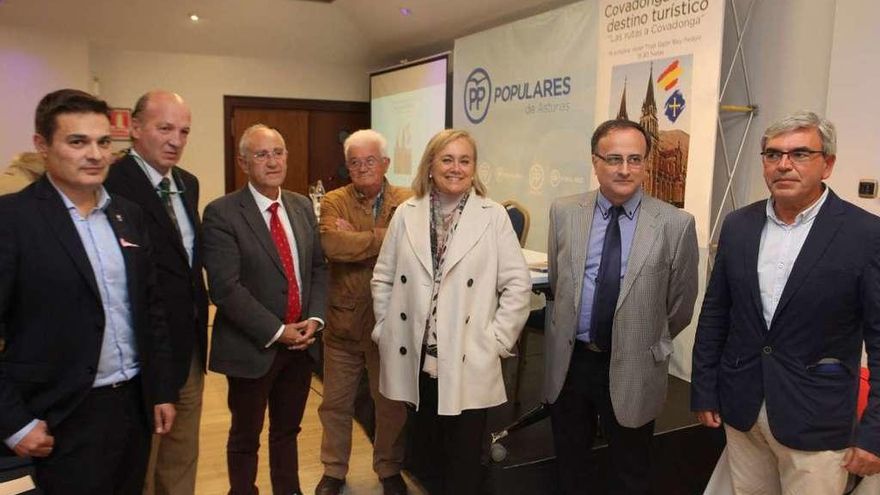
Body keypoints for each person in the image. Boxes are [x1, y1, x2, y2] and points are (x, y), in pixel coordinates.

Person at [691, 110, 880, 493]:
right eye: (773, 154)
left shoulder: (865, 234)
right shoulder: (739, 225)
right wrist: (705, 388)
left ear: (827, 164)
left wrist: (875, 431)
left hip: (817, 420)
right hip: (743, 408)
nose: (784, 165)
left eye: (799, 154)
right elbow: (716, 314)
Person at [0, 88, 176, 494]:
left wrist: (161, 389)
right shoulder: (13, 221)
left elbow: (151, 309)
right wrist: (13, 423)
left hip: (132, 404)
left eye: (103, 142)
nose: (95, 155)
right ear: (42, 146)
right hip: (60, 413)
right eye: (77, 142)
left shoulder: (127, 215)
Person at [371, 129, 531, 495]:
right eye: (447, 159)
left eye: (465, 160)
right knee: (425, 456)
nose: (456, 168)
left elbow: (517, 286)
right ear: (430, 165)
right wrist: (384, 327)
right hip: (415, 358)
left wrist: (496, 341)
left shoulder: (493, 217)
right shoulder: (406, 214)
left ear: (474, 169)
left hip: (468, 357)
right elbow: (383, 277)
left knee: (463, 464)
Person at [544, 119, 699, 494]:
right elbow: (558, 283)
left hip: (634, 365)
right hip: (572, 364)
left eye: (635, 159)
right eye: (614, 159)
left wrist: (644, 341)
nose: (624, 169)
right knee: (570, 465)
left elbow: (680, 304)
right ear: (595, 162)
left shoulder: (675, 224)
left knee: (631, 470)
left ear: (647, 163)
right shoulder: (564, 212)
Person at [202, 123, 328, 495]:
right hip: (252, 347)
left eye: (278, 152)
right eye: (261, 154)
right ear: (243, 162)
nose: (272, 161)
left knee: (287, 431)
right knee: (245, 435)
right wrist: (277, 330)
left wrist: (315, 320)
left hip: (301, 346)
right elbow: (225, 288)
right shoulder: (222, 213)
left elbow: (318, 268)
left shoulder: (302, 206)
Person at [104, 90, 208, 495]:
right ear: (134, 128)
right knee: (140, 463)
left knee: (182, 457)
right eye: (165, 128)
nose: (176, 140)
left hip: (189, 347)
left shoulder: (188, 184)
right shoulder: (111, 181)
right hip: (140, 349)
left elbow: (185, 265)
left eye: (184, 131)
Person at [315, 130, 410, 495]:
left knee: (390, 406)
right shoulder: (334, 200)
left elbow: (408, 248)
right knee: (335, 405)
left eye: (370, 160)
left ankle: (388, 469)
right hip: (344, 322)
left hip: (390, 324)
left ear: (385, 163)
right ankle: (334, 471)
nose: (362, 167)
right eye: (354, 162)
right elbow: (331, 244)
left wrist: (358, 235)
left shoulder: (407, 199)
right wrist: (382, 236)